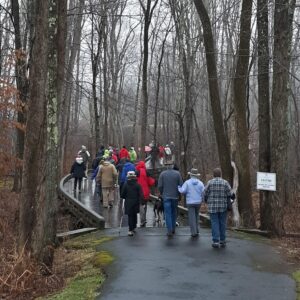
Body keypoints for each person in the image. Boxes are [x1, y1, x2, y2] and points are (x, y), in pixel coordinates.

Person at [203, 168, 232, 248]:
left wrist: (206, 200)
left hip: (212, 206)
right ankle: (222, 240)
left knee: (214, 222)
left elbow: (205, 193)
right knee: (222, 223)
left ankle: (215, 241)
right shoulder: (225, 182)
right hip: (223, 206)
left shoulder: (210, 182)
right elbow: (230, 193)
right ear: (220, 174)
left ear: (213, 174)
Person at [158, 160, 183, 237]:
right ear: (172, 165)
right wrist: (179, 194)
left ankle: (169, 230)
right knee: (174, 212)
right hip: (175, 196)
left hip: (166, 196)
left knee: (167, 213)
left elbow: (160, 186)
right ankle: (173, 229)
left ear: (166, 166)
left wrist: (162, 193)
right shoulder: (177, 174)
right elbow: (181, 185)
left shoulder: (162, 174)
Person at [178, 168, 205, 237]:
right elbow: (203, 192)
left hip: (190, 202)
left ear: (191, 175)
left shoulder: (187, 182)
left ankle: (193, 232)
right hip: (198, 202)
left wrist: (179, 187)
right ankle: (197, 230)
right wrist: (203, 200)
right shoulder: (200, 183)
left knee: (192, 217)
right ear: (197, 175)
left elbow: (183, 191)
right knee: (196, 216)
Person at [121, 171, 144, 236]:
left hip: (128, 202)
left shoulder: (125, 184)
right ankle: (134, 226)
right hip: (136, 201)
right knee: (134, 214)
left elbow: (122, 195)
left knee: (130, 215)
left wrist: (125, 197)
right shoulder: (138, 185)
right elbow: (141, 194)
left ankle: (130, 229)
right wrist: (142, 201)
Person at [135, 161, 155, 227]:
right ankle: (144, 218)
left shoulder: (136, 172)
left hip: (139, 192)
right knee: (145, 204)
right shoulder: (147, 172)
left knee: (140, 205)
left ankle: (142, 220)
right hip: (146, 192)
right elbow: (151, 182)